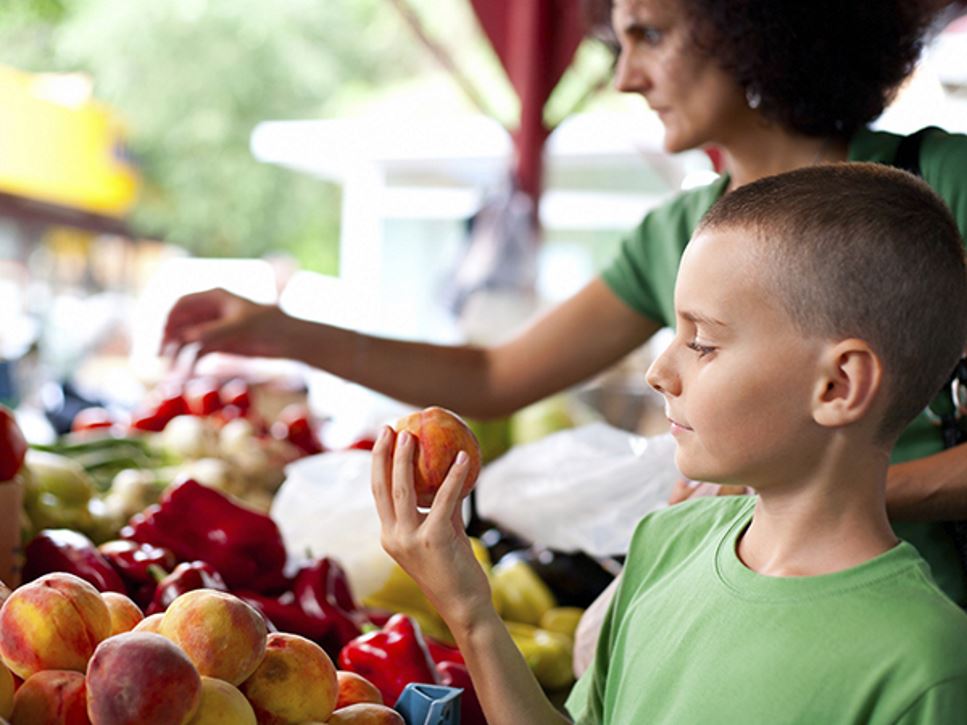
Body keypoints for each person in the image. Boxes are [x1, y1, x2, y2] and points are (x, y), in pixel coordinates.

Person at [162, 0, 967, 601]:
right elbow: (493, 374)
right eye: (617, 41)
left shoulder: (945, 186)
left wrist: (825, 498)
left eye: (650, 34)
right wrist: (284, 331)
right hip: (762, 604)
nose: (624, 76)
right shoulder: (681, 230)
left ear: (756, 24)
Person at [372, 163, 967, 723]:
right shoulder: (664, 542)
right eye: (672, 333)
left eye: (702, 342)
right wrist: (470, 610)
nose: (660, 370)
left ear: (839, 385)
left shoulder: (926, 666)